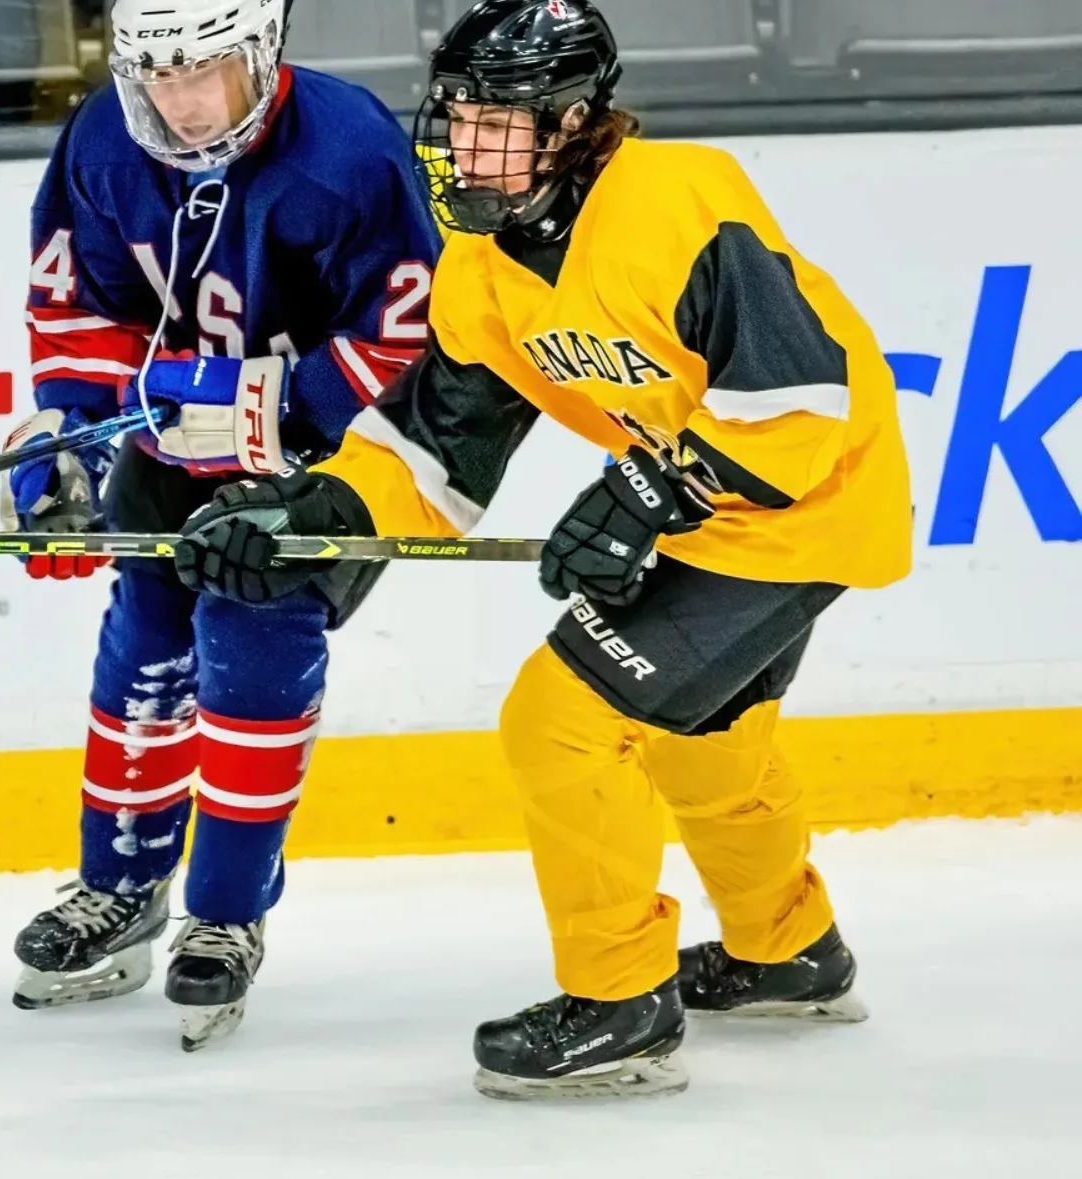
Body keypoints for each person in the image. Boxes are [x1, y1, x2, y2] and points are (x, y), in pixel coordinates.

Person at [175, 0, 907, 1098]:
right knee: (700, 735)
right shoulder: (482, 265)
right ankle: (785, 950)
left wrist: (653, 487)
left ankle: (619, 1002)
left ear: (572, 121)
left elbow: (803, 403)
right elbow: (437, 445)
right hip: (717, 507)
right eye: (457, 119)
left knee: (557, 721)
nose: (464, 145)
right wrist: (308, 513)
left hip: (804, 501)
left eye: (496, 123)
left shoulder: (678, 201)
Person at [2, 0, 442, 1050]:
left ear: (259, 55)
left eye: (201, 70)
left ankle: (227, 912)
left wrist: (269, 409)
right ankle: (118, 885)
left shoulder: (348, 150)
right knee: (144, 648)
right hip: (165, 453)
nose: (176, 100)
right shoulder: (105, 137)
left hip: (319, 469)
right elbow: (79, 308)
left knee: (249, 643)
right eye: (152, 71)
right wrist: (69, 430)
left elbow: (414, 333)